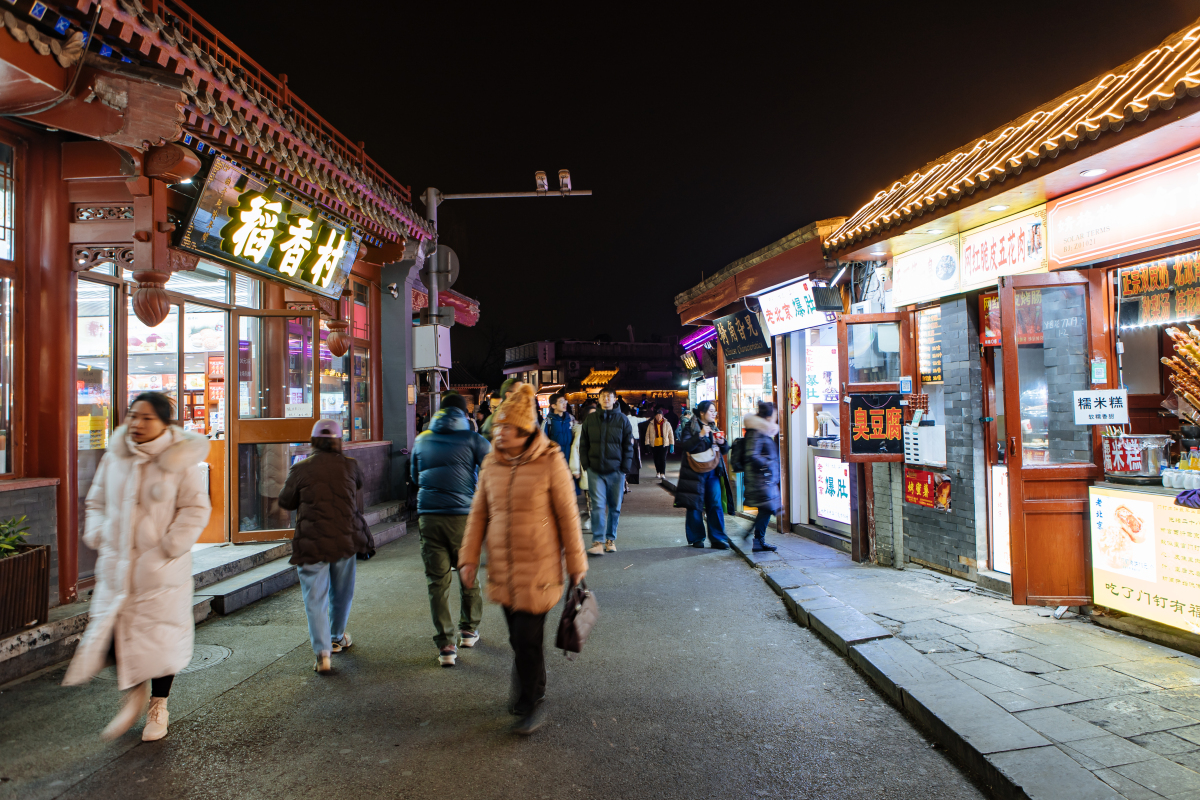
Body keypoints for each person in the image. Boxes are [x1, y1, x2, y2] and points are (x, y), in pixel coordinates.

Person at [63, 392, 212, 742]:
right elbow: (96, 501)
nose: (137, 424)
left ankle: (158, 705)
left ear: (165, 423)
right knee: (116, 637)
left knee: (161, 641)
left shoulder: (181, 461)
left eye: (146, 418)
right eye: (133, 416)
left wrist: (170, 547)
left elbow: (195, 509)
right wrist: (99, 532)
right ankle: (134, 695)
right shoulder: (116, 457)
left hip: (160, 571)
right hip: (117, 569)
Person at [459, 384, 586, 735]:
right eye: (497, 426)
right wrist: (468, 558)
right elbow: (478, 515)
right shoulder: (491, 463)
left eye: (506, 427)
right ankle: (534, 689)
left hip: (540, 569)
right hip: (503, 567)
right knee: (520, 639)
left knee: (526, 640)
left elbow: (568, 517)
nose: (499, 432)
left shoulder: (551, 461)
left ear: (525, 429)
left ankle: (530, 702)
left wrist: (576, 566)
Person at [278, 419, 371, 675]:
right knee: (342, 592)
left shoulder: (301, 468)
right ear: (339, 440)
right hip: (344, 537)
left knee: (315, 598)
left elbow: (286, 501)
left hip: (311, 540)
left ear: (313, 441)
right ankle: (336, 636)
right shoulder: (350, 466)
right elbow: (357, 490)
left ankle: (322, 653)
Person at [410, 393, 490, 666]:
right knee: (467, 572)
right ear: (463, 414)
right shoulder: (472, 439)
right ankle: (468, 630)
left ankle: (445, 645)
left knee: (437, 581)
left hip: (429, 516)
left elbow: (413, 475)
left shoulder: (422, 439)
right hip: (463, 517)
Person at [578, 386, 633, 555]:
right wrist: (586, 464)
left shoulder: (623, 420)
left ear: (615, 399)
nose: (606, 399)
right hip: (595, 470)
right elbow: (584, 443)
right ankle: (598, 542)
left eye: (609, 397)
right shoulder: (590, 419)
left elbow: (628, 446)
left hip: (616, 470)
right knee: (597, 506)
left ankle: (610, 539)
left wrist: (625, 468)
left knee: (615, 507)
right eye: (603, 397)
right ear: (599, 399)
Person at [675, 400, 734, 549]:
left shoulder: (714, 427)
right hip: (694, 472)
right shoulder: (690, 426)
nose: (714, 413)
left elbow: (725, 450)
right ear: (702, 412)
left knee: (715, 504)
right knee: (695, 505)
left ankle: (718, 539)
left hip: (713, 471)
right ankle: (697, 538)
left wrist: (721, 442)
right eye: (711, 411)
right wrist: (700, 435)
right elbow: (686, 446)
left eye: (715, 411)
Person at [742, 401, 781, 552]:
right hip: (760, 479)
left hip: (763, 479)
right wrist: (767, 466)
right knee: (767, 509)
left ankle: (752, 537)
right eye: (775, 415)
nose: (776, 417)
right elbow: (752, 454)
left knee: (766, 509)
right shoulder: (757, 431)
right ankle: (757, 541)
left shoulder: (762, 430)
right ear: (769, 416)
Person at [569, 399, 598, 533]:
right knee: (591, 499)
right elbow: (575, 448)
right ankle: (593, 521)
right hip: (588, 468)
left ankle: (590, 520)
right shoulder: (582, 430)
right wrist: (575, 469)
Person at [542, 391, 575, 463]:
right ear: (553, 406)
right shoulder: (547, 422)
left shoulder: (570, 419)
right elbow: (542, 443)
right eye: (561, 402)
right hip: (555, 460)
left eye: (565, 401)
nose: (564, 404)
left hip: (570, 459)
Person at [645, 407, 675, 481]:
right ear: (655, 416)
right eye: (657, 415)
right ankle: (658, 472)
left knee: (663, 459)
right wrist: (647, 444)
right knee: (656, 459)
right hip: (654, 444)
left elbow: (671, 434)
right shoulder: (651, 424)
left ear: (662, 416)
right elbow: (647, 434)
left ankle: (663, 473)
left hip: (664, 444)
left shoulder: (667, 423)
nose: (658, 417)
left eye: (660, 415)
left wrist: (672, 444)